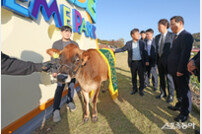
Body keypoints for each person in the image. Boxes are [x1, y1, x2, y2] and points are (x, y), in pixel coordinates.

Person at [51, 25, 81, 122]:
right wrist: (54, 70)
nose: (67, 33)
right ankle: (56, 109)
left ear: (71, 33)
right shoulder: (56, 44)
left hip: (71, 71)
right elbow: (54, 58)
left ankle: (70, 101)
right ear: (61, 33)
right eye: (65, 31)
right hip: (61, 71)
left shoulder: (75, 44)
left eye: (69, 32)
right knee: (59, 89)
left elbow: (78, 57)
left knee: (71, 86)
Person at [167, 16, 193, 122]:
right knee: (178, 90)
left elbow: (185, 54)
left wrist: (181, 70)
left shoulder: (186, 36)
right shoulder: (176, 36)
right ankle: (179, 104)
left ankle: (185, 113)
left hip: (181, 70)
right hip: (174, 69)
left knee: (184, 91)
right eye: (171, 24)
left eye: (173, 24)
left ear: (180, 23)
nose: (171, 27)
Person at [113, 28, 149, 96]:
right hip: (133, 63)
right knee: (133, 77)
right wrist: (114, 50)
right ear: (132, 35)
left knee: (141, 77)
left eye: (139, 34)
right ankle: (134, 89)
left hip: (141, 62)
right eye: (137, 34)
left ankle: (141, 90)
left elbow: (145, 52)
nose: (139, 35)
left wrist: (147, 60)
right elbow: (122, 49)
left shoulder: (142, 43)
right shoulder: (128, 43)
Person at [155, 19, 175, 103]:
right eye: (158, 26)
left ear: (165, 25)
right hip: (159, 61)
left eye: (159, 26)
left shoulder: (172, 35)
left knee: (169, 78)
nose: (158, 28)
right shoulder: (157, 37)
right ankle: (163, 93)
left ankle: (171, 95)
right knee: (161, 78)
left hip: (169, 61)